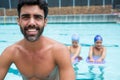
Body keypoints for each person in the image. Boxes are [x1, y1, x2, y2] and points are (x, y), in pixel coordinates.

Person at [0, 0, 75, 80]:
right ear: (19, 21)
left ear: (45, 22)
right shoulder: (11, 52)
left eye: (37, 17)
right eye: (26, 17)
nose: (31, 23)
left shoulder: (60, 51)